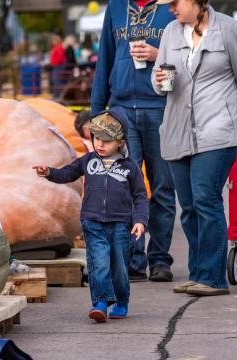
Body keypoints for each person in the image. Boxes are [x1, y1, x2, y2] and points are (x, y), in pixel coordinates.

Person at [152, 0, 237, 295]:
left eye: (174, 2)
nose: (170, 9)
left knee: (206, 197)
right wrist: (159, 81)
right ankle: (199, 273)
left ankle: (214, 278)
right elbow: (160, 83)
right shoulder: (170, 32)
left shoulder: (229, 30)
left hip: (218, 130)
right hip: (178, 130)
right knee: (190, 206)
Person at [33, 108, 149, 322]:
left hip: (121, 224)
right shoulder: (87, 160)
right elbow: (67, 173)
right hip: (93, 221)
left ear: (121, 142)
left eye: (106, 140)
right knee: (99, 262)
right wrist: (49, 172)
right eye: (96, 138)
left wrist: (140, 220)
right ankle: (101, 303)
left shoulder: (130, 167)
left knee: (120, 267)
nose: (100, 144)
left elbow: (141, 196)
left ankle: (121, 301)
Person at [91, 0, 177, 283]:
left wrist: (157, 54)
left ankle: (160, 259)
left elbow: (186, 56)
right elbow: (105, 59)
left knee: (163, 186)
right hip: (121, 108)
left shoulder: (173, 7)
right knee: (123, 187)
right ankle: (132, 260)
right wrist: (96, 116)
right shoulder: (116, 7)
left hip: (161, 107)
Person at [49, 33, 67, 98]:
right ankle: (57, 96)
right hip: (57, 67)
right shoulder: (58, 47)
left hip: (58, 67)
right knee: (57, 82)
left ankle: (58, 97)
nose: (52, 42)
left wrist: (54, 63)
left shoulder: (58, 47)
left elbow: (60, 58)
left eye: (53, 40)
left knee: (57, 82)